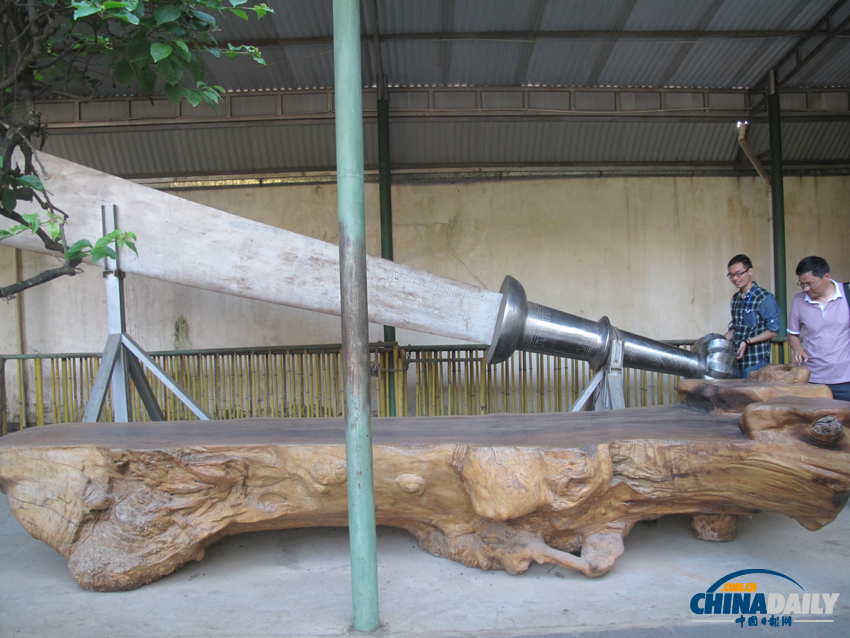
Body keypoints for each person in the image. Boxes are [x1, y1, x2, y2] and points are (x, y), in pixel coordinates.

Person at [788, 256, 850, 401]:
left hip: (846, 379)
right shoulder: (799, 300)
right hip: (813, 379)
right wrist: (798, 349)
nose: (806, 289)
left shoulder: (847, 294)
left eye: (810, 284)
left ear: (826, 277)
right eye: (802, 284)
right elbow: (792, 334)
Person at [724, 254, 781, 378]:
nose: (735, 278)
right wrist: (718, 341)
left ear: (750, 271)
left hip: (755, 363)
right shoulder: (736, 298)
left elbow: (774, 330)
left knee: (754, 397)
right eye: (731, 275)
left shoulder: (764, 297)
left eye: (739, 274)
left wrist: (748, 342)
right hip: (736, 363)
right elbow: (736, 328)